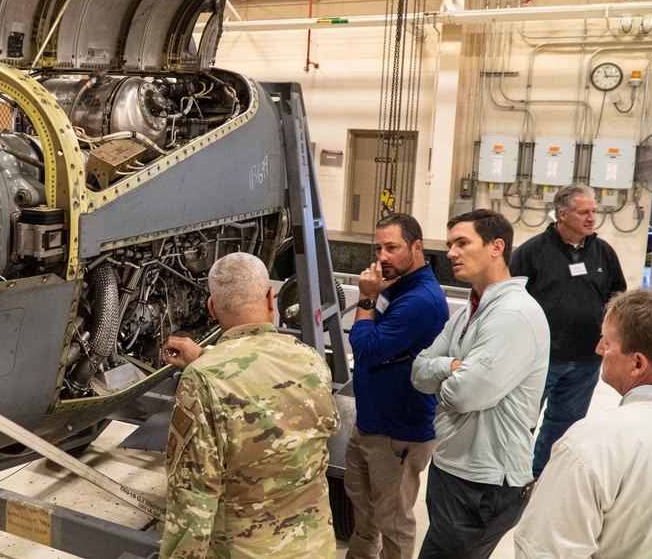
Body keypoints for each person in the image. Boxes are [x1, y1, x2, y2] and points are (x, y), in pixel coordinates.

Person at [159, 251, 340, 559]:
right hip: (316, 547)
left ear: (212, 308)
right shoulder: (311, 361)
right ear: (272, 297)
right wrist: (206, 358)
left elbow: (192, 499)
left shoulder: (202, 381)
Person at [411, 209, 549, 559]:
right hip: (453, 469)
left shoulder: (513, 314)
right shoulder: (469, 311)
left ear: (496, 247)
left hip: (483, 484)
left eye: (462, 243)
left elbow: (463, 396)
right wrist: (453, 366)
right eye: (449, 244)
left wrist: (445, 380)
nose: (451, 253)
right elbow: (418, 371)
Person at [514, 288, 652, 557]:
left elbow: (544, 550)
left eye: (607, 342)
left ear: (638, 364)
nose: (598, 349)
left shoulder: (592, 445)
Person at [345, 213, 449, 559]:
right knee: (366, 515)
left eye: (392, 248)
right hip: (371, 424)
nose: (382, 257)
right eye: (378, 248)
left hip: (397, 434)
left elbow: (365, 350)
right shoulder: (398, 287)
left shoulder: (420, 300)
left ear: (416, 247)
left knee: (393, 523)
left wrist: (366, 300)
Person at [509, 183, 626, 478]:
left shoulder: (603, 253)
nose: (591, 218)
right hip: (539, 358)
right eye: (583, 212)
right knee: (522, 421)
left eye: (593, 212)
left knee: (565, 424)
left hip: (586, 360)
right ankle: (511, 477)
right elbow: (510, 300)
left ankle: (541, 476)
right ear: (562, 215)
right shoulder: (531, 252)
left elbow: (617, 297)